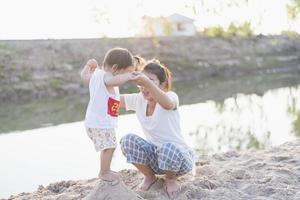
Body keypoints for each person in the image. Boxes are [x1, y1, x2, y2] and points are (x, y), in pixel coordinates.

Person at [120, 59, 194, 199]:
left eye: (151, 80)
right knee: (127, 140)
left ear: (162, 84)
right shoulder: (138, 100)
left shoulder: (171, 96)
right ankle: (150, 177)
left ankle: (170, 179)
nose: (144, 85)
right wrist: (107, 78)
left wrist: (147, 83)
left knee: (167, 147)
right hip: (157, 160)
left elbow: (167, 104)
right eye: (142, 81)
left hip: (179, 159)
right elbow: (112, 101)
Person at [80, 47, 138, 182]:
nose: (128, 76)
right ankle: (104, 172)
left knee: (108, 146)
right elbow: (114, 81)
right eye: (127, 72)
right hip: (100, 123)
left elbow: (84, 76)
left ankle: (106, 170)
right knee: (110, 146)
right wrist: (130, 76)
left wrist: (88, 66)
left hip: (96, 122)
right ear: (115, 68)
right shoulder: (106, 76)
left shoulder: (95, 76)